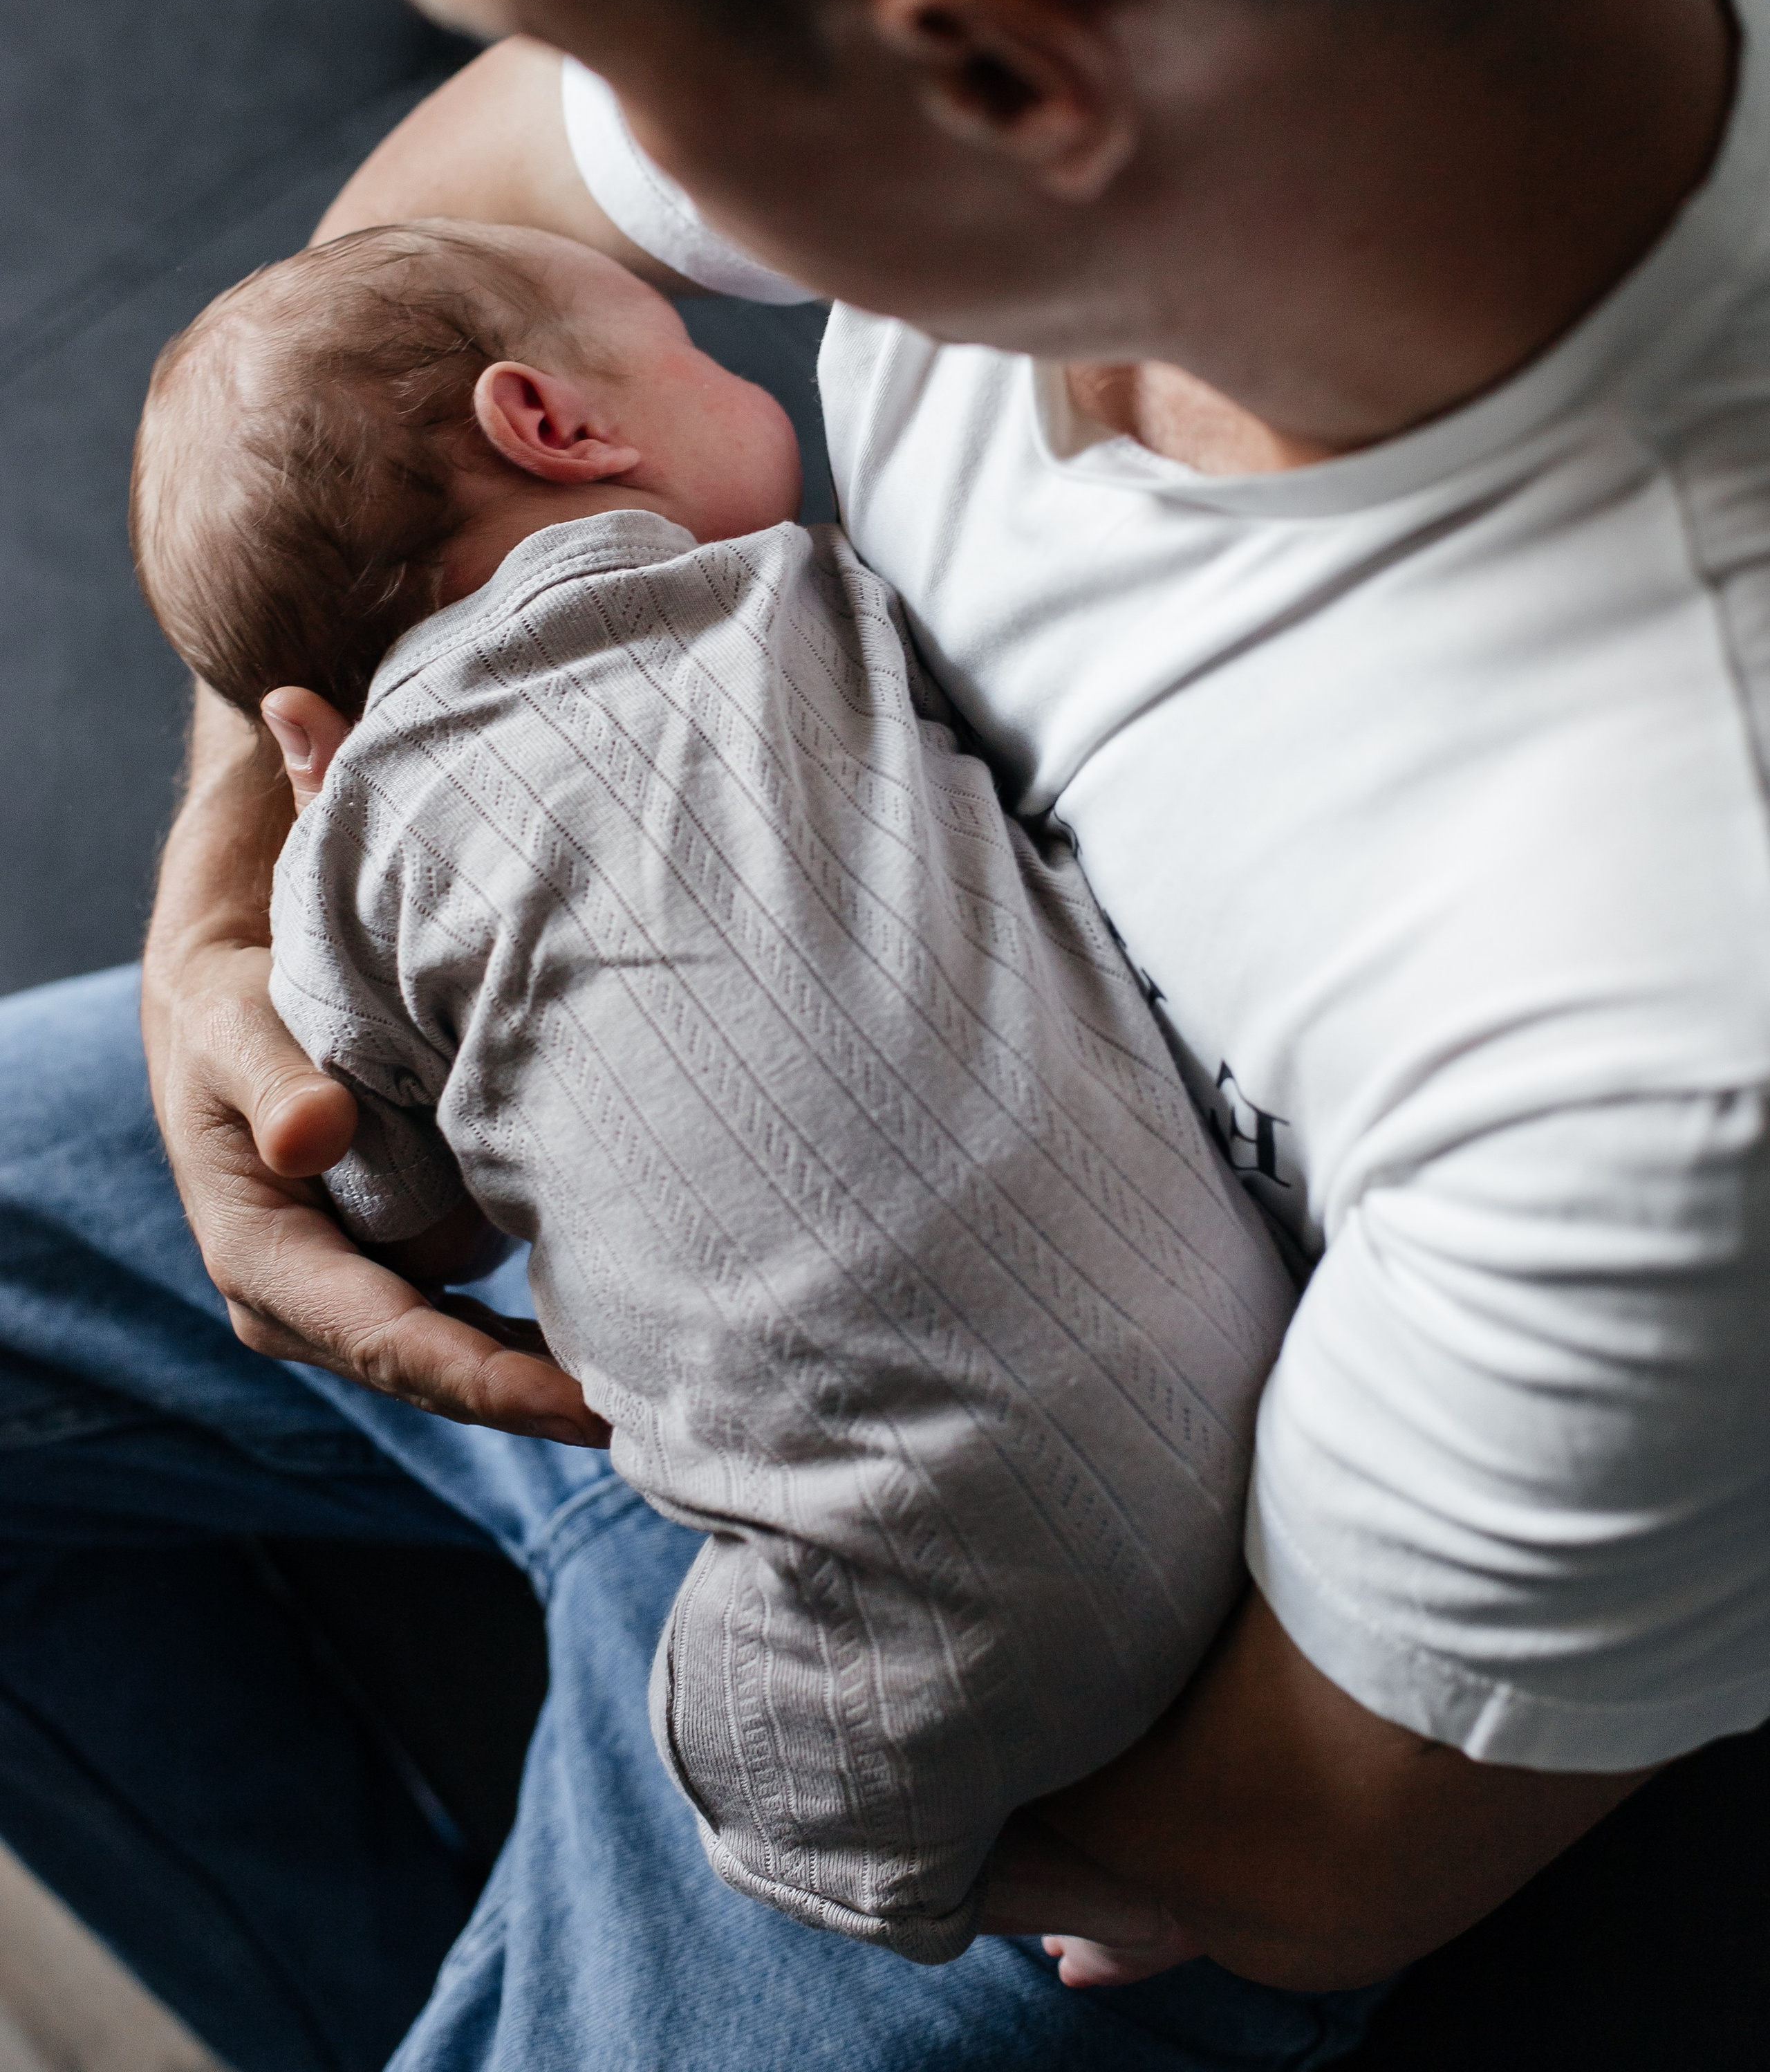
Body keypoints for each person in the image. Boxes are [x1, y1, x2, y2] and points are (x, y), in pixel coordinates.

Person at [1, 0, 1764, 2063]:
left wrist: (729, 1751)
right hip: (612, 1136)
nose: (546, 87)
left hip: (1052, 1667)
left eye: (568, 6)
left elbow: (1286, 1852)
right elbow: (445, 251)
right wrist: (232, 897)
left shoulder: (1676, 1003)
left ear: (994, 83)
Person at [128, 217, 1292, 1972]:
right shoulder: (820, 605)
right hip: (1257, 1442)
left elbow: (393, 1211)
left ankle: (1042, 1893)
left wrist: (313, 857)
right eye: (688, 354)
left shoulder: (355, 850)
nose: (745, 371)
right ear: (552, 425)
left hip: (929, 1637)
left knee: (738, 1768)